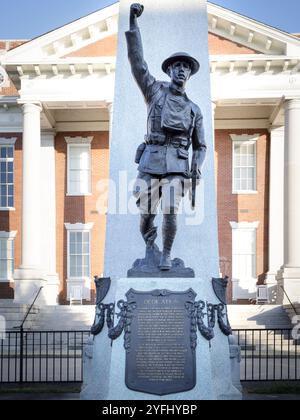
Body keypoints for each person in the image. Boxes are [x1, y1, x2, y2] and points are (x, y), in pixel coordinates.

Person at [126, 3, 207, 271]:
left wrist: (197, 164)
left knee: (171, 207)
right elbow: (138, 63)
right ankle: (150, 242)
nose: (182, 70)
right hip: (151, 159)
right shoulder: (154, 92)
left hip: (177, 163)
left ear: (189, 73)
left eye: (186, 67)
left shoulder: (195, 110)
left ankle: (167, 255)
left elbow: (201, 145)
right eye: (177, 66)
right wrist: (133, 23)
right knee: (147, 212)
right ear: (169, 71)